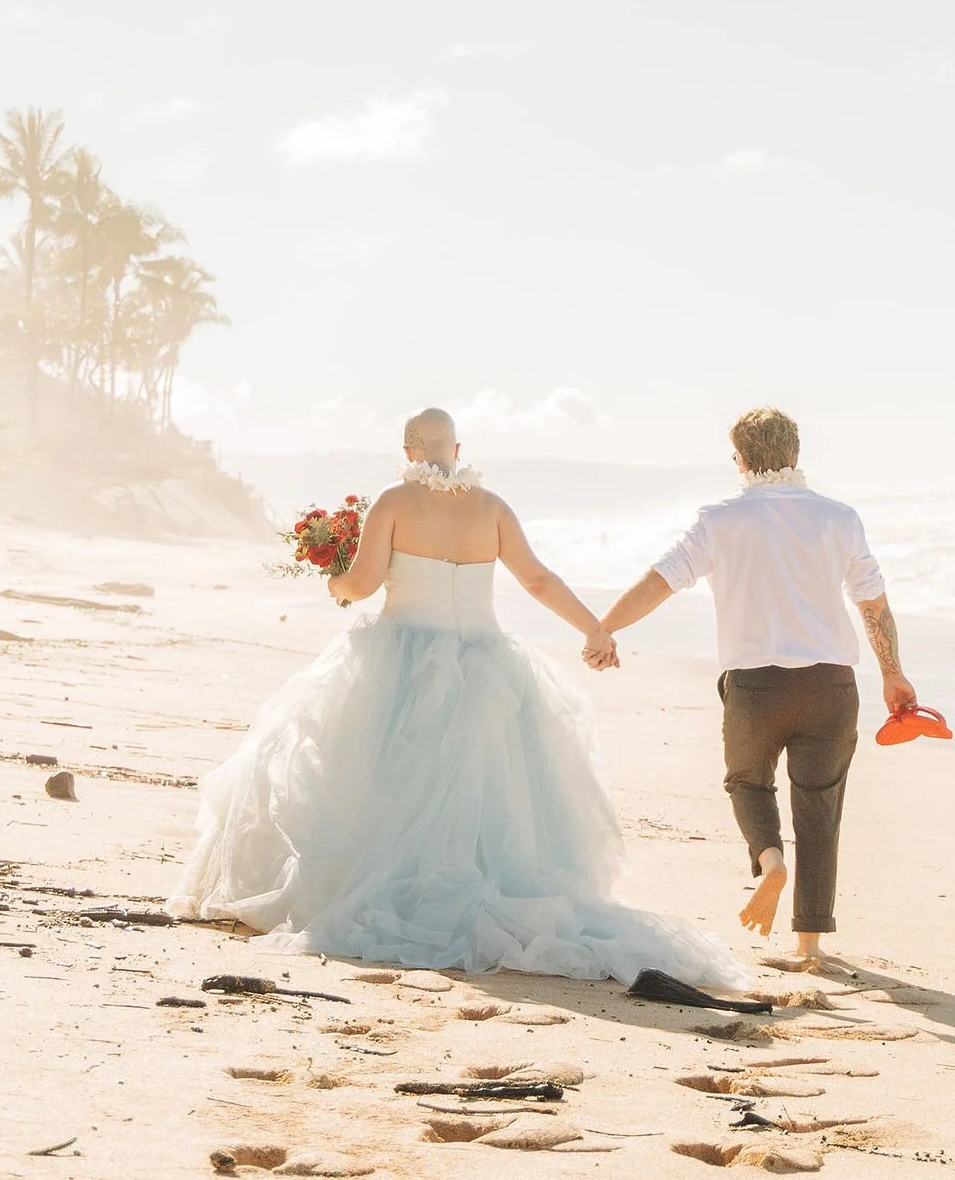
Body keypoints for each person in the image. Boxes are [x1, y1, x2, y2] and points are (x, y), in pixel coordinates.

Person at [176, 406, 748, 988]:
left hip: (400, 658)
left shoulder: (394, 502)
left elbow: (364, 584)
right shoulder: (493, 507)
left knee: (381, 779)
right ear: (456, 448)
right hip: (483, 663)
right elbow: (538, 580)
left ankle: (385, 886)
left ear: (407, 451)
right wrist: (594, 631)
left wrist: (335, 582)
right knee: (484, 794)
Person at [587, 406, 917, 971]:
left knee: (747, 782)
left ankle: (770, 863)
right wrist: (892, 672)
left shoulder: (720, 520)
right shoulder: (840, 518)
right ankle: (809, 944)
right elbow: (873, 603)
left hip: (755, 686)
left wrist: (604, 629)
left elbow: (660, 581)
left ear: (740, 460)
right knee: (820, 806)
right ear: (796, 456)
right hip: (831, 684)